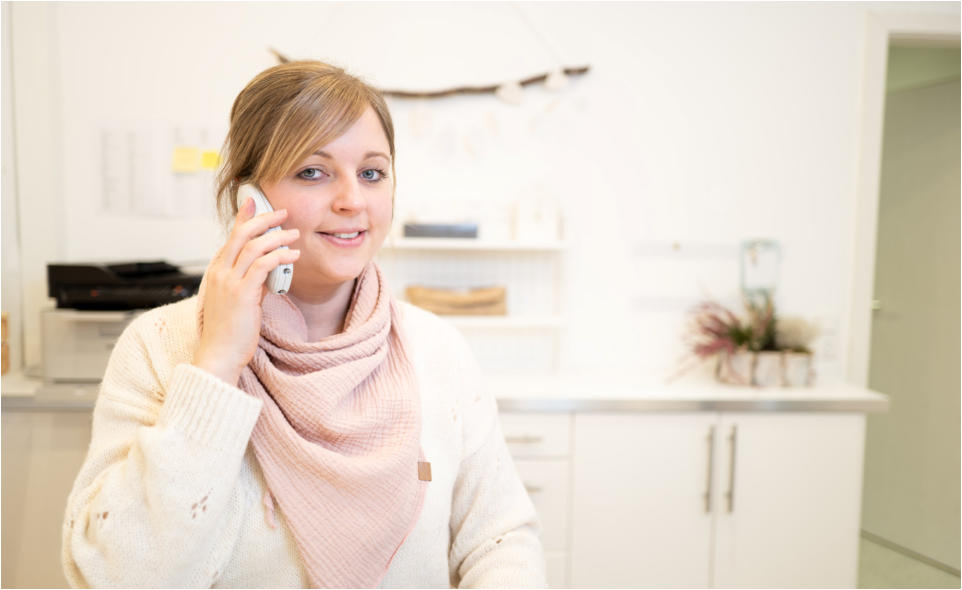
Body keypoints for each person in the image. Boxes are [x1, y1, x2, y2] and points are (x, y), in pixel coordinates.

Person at [61, 60, 546, 588]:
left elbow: (500, 539)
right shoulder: (159, 348)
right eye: (311, 172)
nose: (352, 201)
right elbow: (113, 574)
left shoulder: (436, 350)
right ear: (251, 199)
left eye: (372, 173)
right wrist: (217, 365)